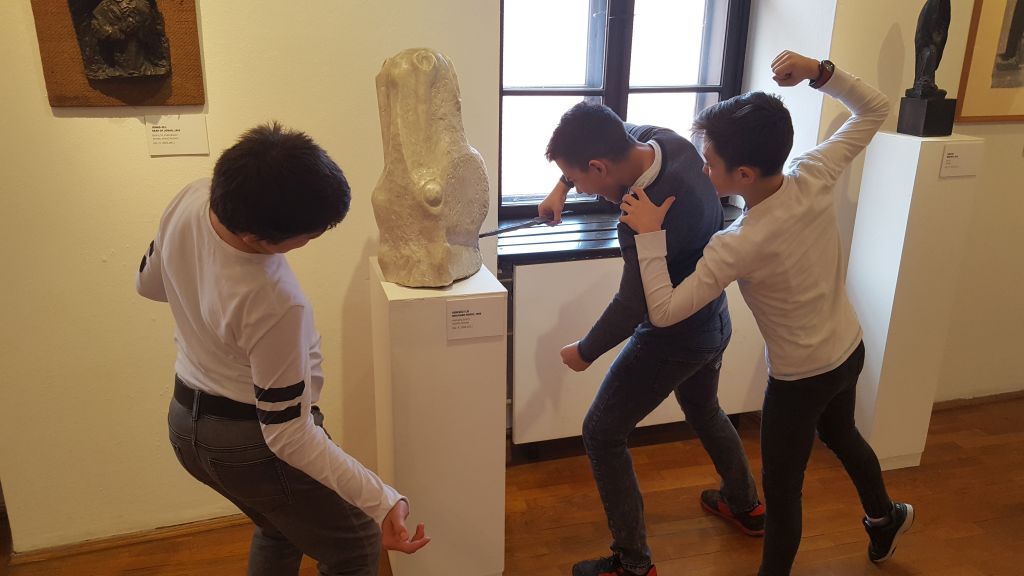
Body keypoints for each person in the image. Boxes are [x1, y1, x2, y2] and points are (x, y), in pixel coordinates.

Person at [619, 51, 914, 576]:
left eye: (709, 162)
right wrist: (819, 73)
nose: (702, 167)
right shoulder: (812, 172)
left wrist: (649, 237)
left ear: (744, 174)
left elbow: (662, 312)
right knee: (842, 434)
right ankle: (884, 517)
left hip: (800, 379)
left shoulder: (737, 244)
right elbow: (874, 108)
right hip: (848, 349)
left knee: (782, 494)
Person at [136, 122, 429, 576]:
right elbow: (288, 435)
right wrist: (383, 499)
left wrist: (205, 301)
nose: (313, 239)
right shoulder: (274, 301)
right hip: (247, 443)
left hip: (185, 424)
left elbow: (150, 284)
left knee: (280, 529)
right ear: (257, 238)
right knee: (355, 546)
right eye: (309, 235)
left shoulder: (192, 197)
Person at [540, 102, 763, 576]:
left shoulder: (643, 214)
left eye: (579, 179)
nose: (580, 189)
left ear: (599, 167)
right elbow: (614, 129)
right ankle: (747, 505)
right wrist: (561, 186)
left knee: (602, 432)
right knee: (704, 409)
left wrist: (584, 351)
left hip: (674, 335)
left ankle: (633, 563)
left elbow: (633, 305)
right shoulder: (664, 141)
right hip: (713, 319)